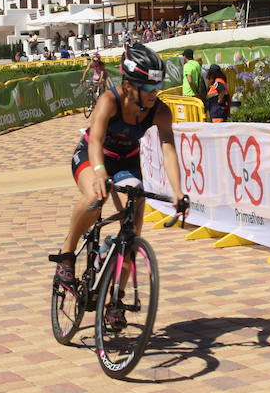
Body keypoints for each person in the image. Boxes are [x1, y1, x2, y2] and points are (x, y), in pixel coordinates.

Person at [55, 44, 185, 328]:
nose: (155, 92)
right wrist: (100, 171)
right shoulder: (109, 101)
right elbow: (97, 141)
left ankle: (115, 300)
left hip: (126, 163)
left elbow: (169, 149)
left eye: (158, 85)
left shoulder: (160, 110)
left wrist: (178, 190)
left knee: (132, 228)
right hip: (93, 156)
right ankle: (67, 252)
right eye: (149, 87)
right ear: (129, 86)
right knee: (94, 196)